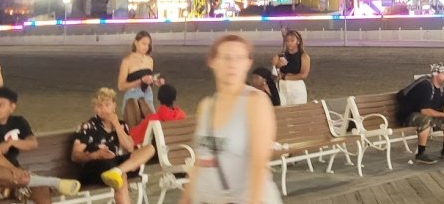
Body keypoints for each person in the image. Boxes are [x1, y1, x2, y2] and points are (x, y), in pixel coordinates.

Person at [179, 35, 281, 204]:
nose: (232, 64)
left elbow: (258, 165)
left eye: (239, 58)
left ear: (248, 63)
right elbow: (200, 161)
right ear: (212, 61)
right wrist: (185, 199)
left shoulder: (255, 102)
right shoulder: (207, 106)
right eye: (226, 57)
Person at [0, 87, 81, 202]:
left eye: (0, 105)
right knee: (18, 178)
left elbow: (33, 143)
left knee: (41, 188)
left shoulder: (19, 122)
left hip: (14, 170)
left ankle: (44, 186)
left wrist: (12, 142)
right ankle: (55, 182)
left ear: (12, 107)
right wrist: (14, 170)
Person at [72, 87, 156, 204]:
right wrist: (95, 155)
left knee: (149, 148)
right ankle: (117, 172)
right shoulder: (88, 127)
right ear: (95, 108)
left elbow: (129, 147)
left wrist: (116, 124)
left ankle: (117, 171)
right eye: (99, 106)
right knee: (121, 176)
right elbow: (75, 155)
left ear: (114, 106)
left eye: (107, 105)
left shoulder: (121, 125)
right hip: (95, 166)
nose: (103, 109)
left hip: (114, 164)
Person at [402, 63, 444, 164]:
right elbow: (424, 110)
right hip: (409, 115)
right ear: (435, 75)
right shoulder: (425, 86)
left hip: (426, 114)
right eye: (443, 74)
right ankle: (420, 154)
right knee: (426, 119)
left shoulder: (441, 87)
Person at [117, 31, 164, 129]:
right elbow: (121, 86)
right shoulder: (127, 61)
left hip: (147, 95)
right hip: (132, 97)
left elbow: (148, 80)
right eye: (143, 43)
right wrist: (140, 81)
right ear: (135, 42)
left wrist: (155, 81)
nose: (146, 47)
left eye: (148, 44)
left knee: (154, 127)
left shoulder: (149, 60)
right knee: (136, 128)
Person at [271, 30, 310, 106]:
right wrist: (277, 66)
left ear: (298, 41)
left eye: (292, 41)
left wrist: (285, 77)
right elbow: (274, 74)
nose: (289, 43)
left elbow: (303, 75)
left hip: (296, 86)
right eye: (287, 41)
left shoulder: (304, 56)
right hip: (282, 86)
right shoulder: (280, 56)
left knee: (297, 110)